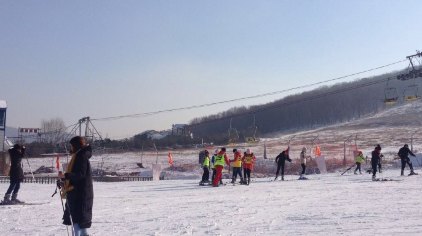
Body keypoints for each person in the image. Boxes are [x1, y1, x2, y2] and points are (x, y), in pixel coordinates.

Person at [59, 136, 93, 236]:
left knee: (77, 221)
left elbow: (80, 174)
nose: (71, 148)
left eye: (72, 146)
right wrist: (64, 179)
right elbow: (76, 174)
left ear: (76, 146)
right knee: (81, 225)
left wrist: (66, 175)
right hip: (78, 192)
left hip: (80, 194)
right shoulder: (79, 155)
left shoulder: (81, 156)